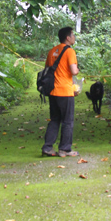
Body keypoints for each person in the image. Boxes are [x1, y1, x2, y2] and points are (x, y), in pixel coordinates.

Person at [41, 26, 79, 158]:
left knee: (55, 119)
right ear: (68, 38)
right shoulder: (70, 51)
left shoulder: (52, 51)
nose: (74, 37)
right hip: (65, 91)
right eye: (73, 35)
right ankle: (65, 149)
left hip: (53, 91)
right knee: (68, 121)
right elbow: (74, 71)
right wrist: (78, 72)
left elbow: (47, 68)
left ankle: (47, 147)